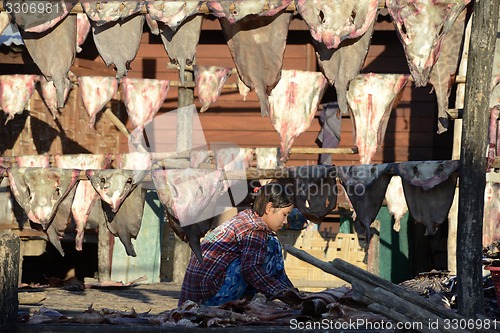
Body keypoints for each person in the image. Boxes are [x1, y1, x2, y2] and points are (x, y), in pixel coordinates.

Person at [178, 182, 298, 306]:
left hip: (192, 300)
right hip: (208, 300)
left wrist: (293, 294)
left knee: (265, 250)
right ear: (269, 208)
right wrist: (285, 294)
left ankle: (289, 295)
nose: (285, 221)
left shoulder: (245, 217)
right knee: (272, 246)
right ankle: (226, 307)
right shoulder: (255, 230)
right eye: (284, 214)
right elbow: (251, 271)